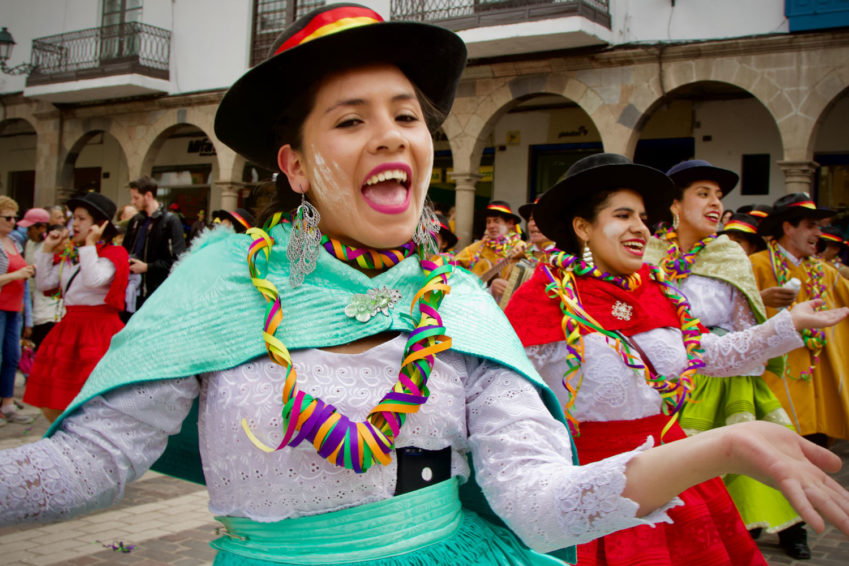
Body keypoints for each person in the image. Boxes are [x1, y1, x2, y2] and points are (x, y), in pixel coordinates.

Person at [2, 7, 849, 566]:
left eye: (405, 115)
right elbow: (89, 465)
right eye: (349, 118)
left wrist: (722, 447)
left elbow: (541, 506)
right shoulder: (220, 282)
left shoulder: (463, 303)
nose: (390, 137)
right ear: (293, 165)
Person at [505, 152, 849, 565]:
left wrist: (784, 324)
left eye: (643, 217)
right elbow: (512, 402)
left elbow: (706, 356)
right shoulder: (542, 297)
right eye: (623, 215)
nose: (640, 228)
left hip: (675, 473)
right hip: (591, 486)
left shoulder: (658, 291)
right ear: (582, 226)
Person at [643, 160, 807, 558]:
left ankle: (762, 539)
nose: (716, 203)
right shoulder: (649, 252)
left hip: (719, 384)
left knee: (724, 481)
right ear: (676, 205)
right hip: (660, 380)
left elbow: (744, 327)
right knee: (664, 482)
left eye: (718, 196)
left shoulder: (730, 255)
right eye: (703, 194)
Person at [750, 194, 849, 446]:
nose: (819, 233)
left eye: (819, 226)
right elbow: (727, 316)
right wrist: (761, 298)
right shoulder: (755, 265)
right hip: (773, 387)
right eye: (811, 226)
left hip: (817, 391)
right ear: (787, 228)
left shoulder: (825, 272)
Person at [22, 193, 129, 423]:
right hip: (70, 328)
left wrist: (90, 244)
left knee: (90, 394)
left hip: (98, 330)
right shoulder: (73, 253)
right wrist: (47, 250)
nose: (75, 224)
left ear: (100, 224)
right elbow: (44, 283)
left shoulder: (113, 254)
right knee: (54, 397)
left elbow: (93, 279)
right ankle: (65, 435)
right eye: (74, 218)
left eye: (81, 218)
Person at [122, 176, 187, 312]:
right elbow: (124, 250)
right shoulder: (135, 221)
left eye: (136, 198)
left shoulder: (170, 222)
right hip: (132, 291)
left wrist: (147, 267)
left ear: (148, 195)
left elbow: (178, 261)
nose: (132, 202)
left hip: (156, 294)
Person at [0, 196, 35, 424]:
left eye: (15, 217)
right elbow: (13, 276)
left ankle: (8, 403)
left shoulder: (14, 242)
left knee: (12, 356)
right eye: (8, 217)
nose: (13, 221)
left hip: (14, 309)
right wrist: (16, 275)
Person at [454, 200, 527, 302]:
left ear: (510, 223)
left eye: (496, 221)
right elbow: (454, 266)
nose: (491, 226)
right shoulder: (476, 247)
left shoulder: (520, 247)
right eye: (488, 222)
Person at [17, 208, 63, 350]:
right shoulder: (29, 243)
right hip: (30, 303)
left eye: (30, 229)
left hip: (48, 309)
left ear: (42, 227)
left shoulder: (52, 245)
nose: (28, 233)